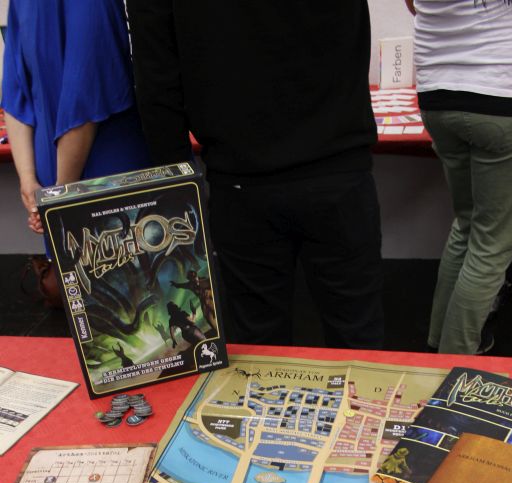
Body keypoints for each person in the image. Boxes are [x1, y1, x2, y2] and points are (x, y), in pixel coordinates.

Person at [124, 0, 384, 350]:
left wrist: (179, 187)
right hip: (330, 163)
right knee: (357, 338)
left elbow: (157, 80)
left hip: (244, 177)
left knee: (261, 346)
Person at [405, 0, 512, 355]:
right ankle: (454, 365)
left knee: (467, 225)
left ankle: (437, 347)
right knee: (490, 246)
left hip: (438, 89)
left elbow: (413, 4)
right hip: (507, 89)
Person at [1, 0, 151, 238]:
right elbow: (16, 93)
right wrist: (32, 184)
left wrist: (51, 193)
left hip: (101, 180)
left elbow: (83, 98)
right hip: (55, 191)